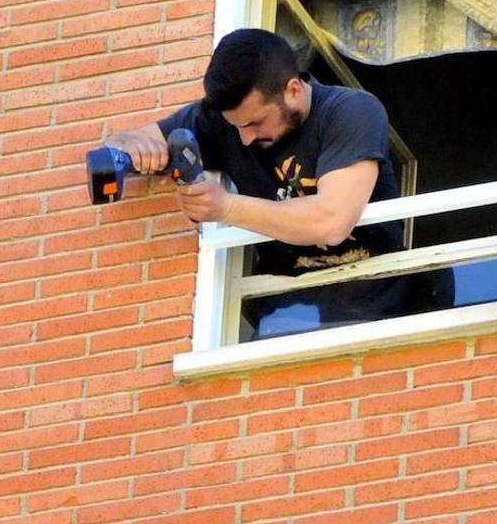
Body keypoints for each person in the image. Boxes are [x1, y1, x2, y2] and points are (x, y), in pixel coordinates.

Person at [102, 27, 449, 337]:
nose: (245, 139)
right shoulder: (228, 124)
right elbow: (120, 143)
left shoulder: (350, 111)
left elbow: (331, 222)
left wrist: (225, 207)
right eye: (235, 126)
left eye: (255, 123)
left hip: (381, 312)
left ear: (293, 90)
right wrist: (133, 147)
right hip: (284, 318)